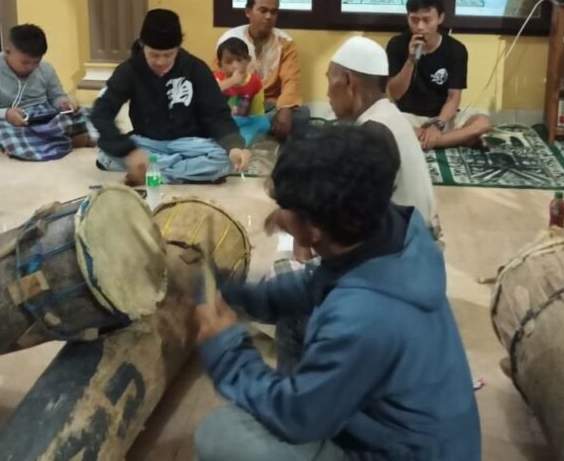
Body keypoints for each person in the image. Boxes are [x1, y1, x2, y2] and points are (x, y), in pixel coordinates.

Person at [193, 124, 480, 461]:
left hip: (402, 454)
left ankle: (311, 401)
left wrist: (226, 347)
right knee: (296, 320)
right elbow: (316, 283)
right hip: (422, 439)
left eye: (283, 206)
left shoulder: (361, 317)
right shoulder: (394, 228)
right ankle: (314, 395)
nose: (278, 215)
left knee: (220, 434)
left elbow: (295, 417)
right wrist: (238, 293)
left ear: (312, 230)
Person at [92, 8, 251, 184]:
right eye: (154, 55)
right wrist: (129, 151)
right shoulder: (130, 70)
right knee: (105, 155)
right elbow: (101, 112)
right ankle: (180, 173)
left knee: (225, 159)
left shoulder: (195, 68)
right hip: (147, 143)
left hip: (189, 145)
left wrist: (234, 147)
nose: (161, 62)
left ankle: (153, 173)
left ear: (178, 48)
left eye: (168, 55)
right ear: (143, 45)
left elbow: (217, 114)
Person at [327, 35, 439, 236]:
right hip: (417, 236)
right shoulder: (388, 115)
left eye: (330, 80)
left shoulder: (373, 132)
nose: (328, 93)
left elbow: (355, 216)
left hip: (408, 246)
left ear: (348, 81)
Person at [386, 0, 492, 150]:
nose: (420, 27)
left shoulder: (456, 49)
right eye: (414, 20)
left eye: (426, 20)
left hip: (443, 117)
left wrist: (438, 124)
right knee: (383, 123)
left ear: (440, 18)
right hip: (408, 116)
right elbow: (395, 94)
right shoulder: (397, 44)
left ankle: (425, 141)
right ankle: (455, 140)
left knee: (483, 122)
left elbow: (453, 97)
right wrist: (411, 60)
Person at [0, 23, 94, 161]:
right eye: (24, 62)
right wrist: (6, 113)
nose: (30, 67)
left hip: (44, 115)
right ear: (8, 51)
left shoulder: (46, 68)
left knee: (84, 114)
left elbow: (56, 96)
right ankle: (68, 141)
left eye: (36, 62)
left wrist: (63, 103)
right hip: (13, 121)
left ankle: (26, 147)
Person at [217, 0, 309, 141]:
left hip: (270, 106)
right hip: (237, 105)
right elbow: (217, 79)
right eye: (263, 10)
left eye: (273, 12)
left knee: (302, 114)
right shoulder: (230, 40)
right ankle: (260, 132)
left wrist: (285, 108)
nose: (268, 17)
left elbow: (291, 82)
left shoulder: (285, 43)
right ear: (248, 12)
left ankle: (252, 131)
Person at [214, 36, 271, 147]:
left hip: (245, 121)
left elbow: (257, 112)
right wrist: (231, 81)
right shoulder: (217, 78)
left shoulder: (254, 82)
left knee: (245, 138)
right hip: (222, 121)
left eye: (239, 60)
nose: (235, 66)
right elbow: (210, 91)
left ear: (248, 60)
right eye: (228, 62)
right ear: (220, 64)